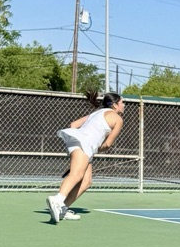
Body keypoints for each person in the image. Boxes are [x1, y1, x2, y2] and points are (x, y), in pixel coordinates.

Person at [46, 93, 125, 223]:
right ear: (115, 105)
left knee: (86, 181)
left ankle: (62, 208)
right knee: (76, 175)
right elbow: (107, 144)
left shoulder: (96, 113)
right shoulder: (118, 119)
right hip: (84, 144)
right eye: (122, 102)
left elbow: (73, 124)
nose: (124, 105)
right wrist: (91, 147)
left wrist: (85, 148)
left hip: (79, 142)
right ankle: (57, 199)